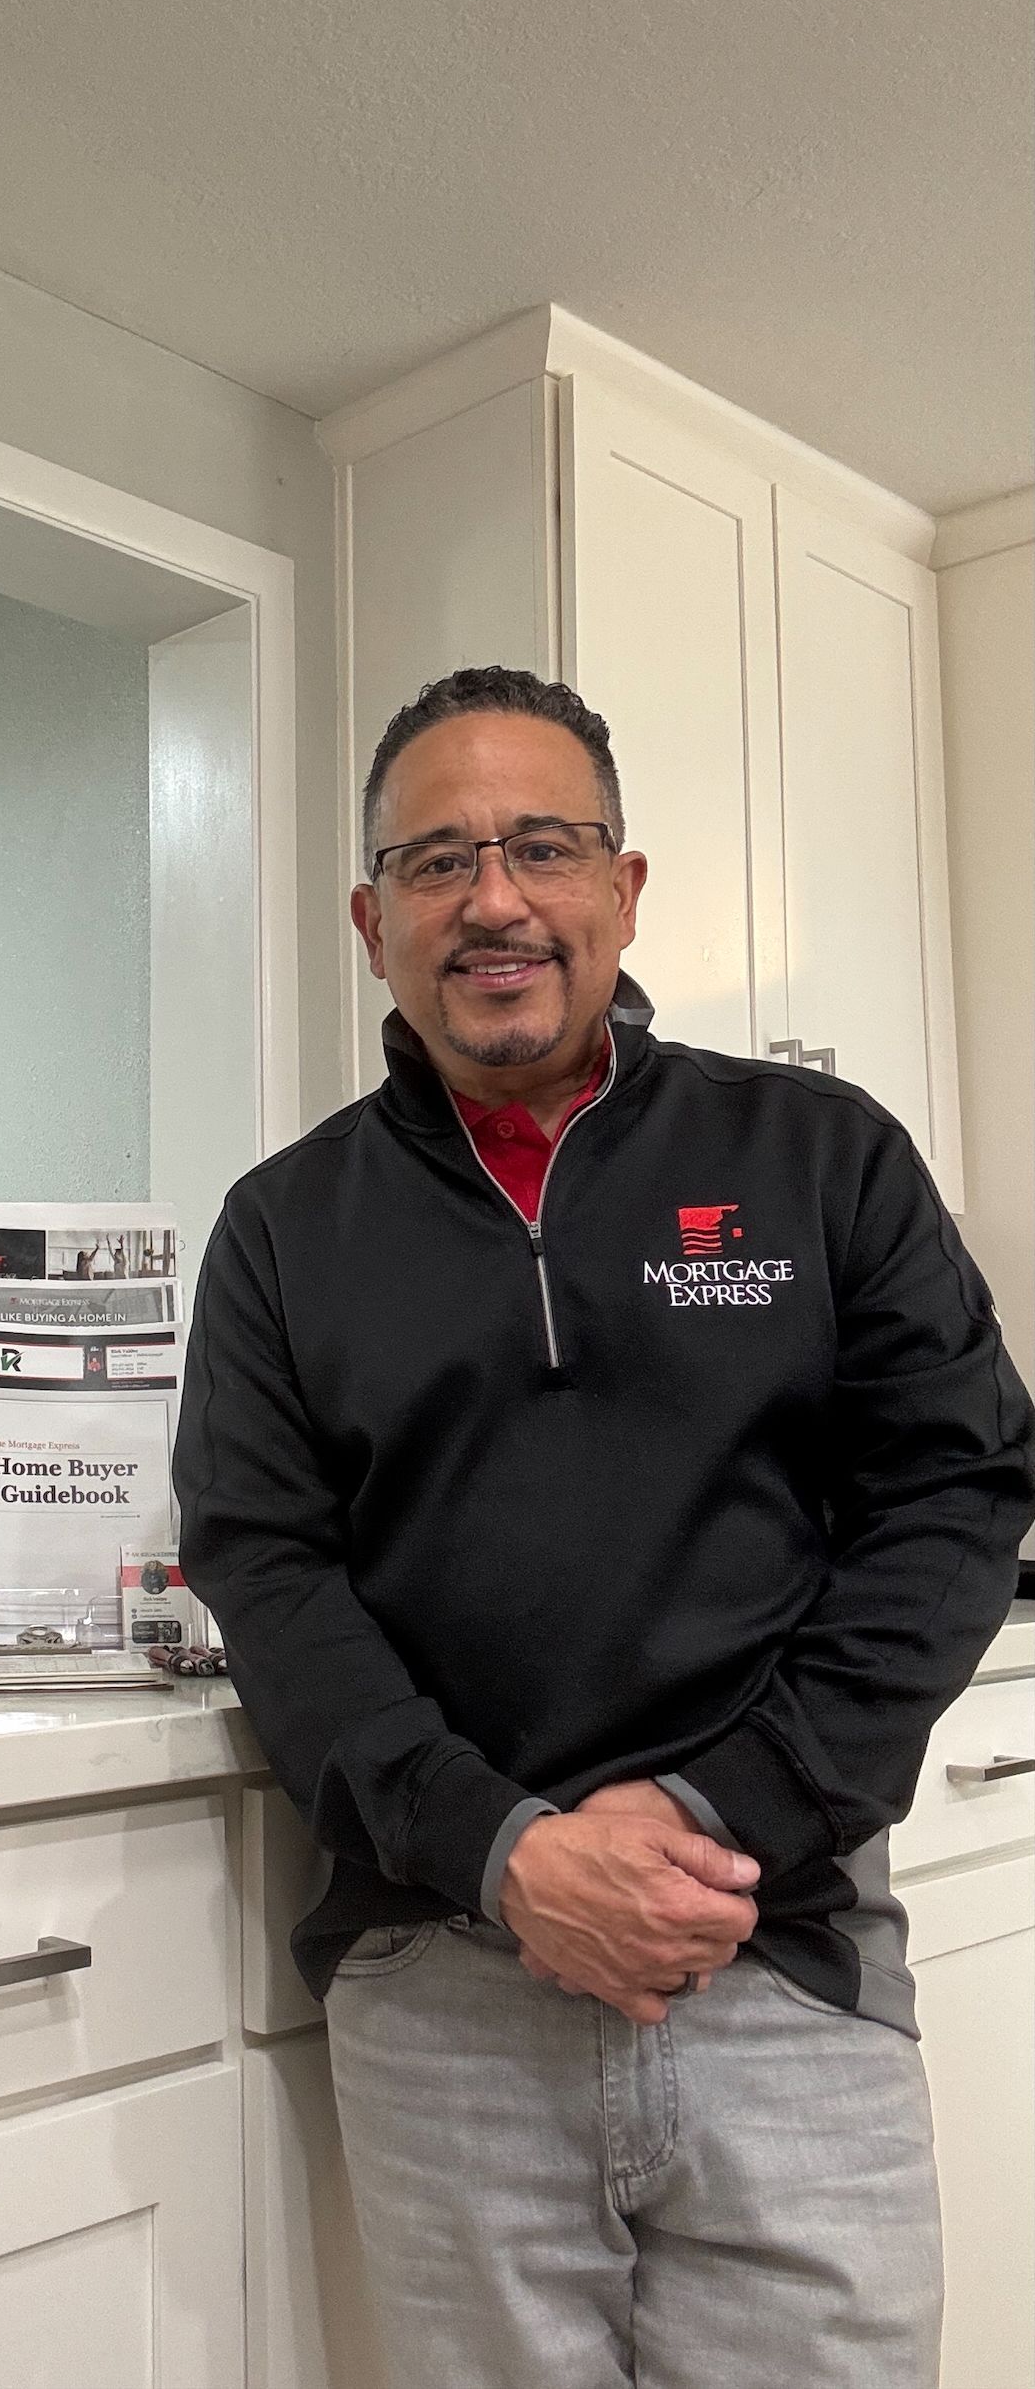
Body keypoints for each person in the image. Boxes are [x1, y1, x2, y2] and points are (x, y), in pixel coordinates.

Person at [172, 665, 1034, 2388]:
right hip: (444, 1989)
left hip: (780, 1957)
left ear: (622, 890)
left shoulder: (819, 1154)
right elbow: (263, 1565)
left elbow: (956, 1492)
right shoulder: (282, 1229)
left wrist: (731, 1816)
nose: (493, 900)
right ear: (373, 919)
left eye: (542, 847)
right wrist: (504, 1848)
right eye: (437, 862)